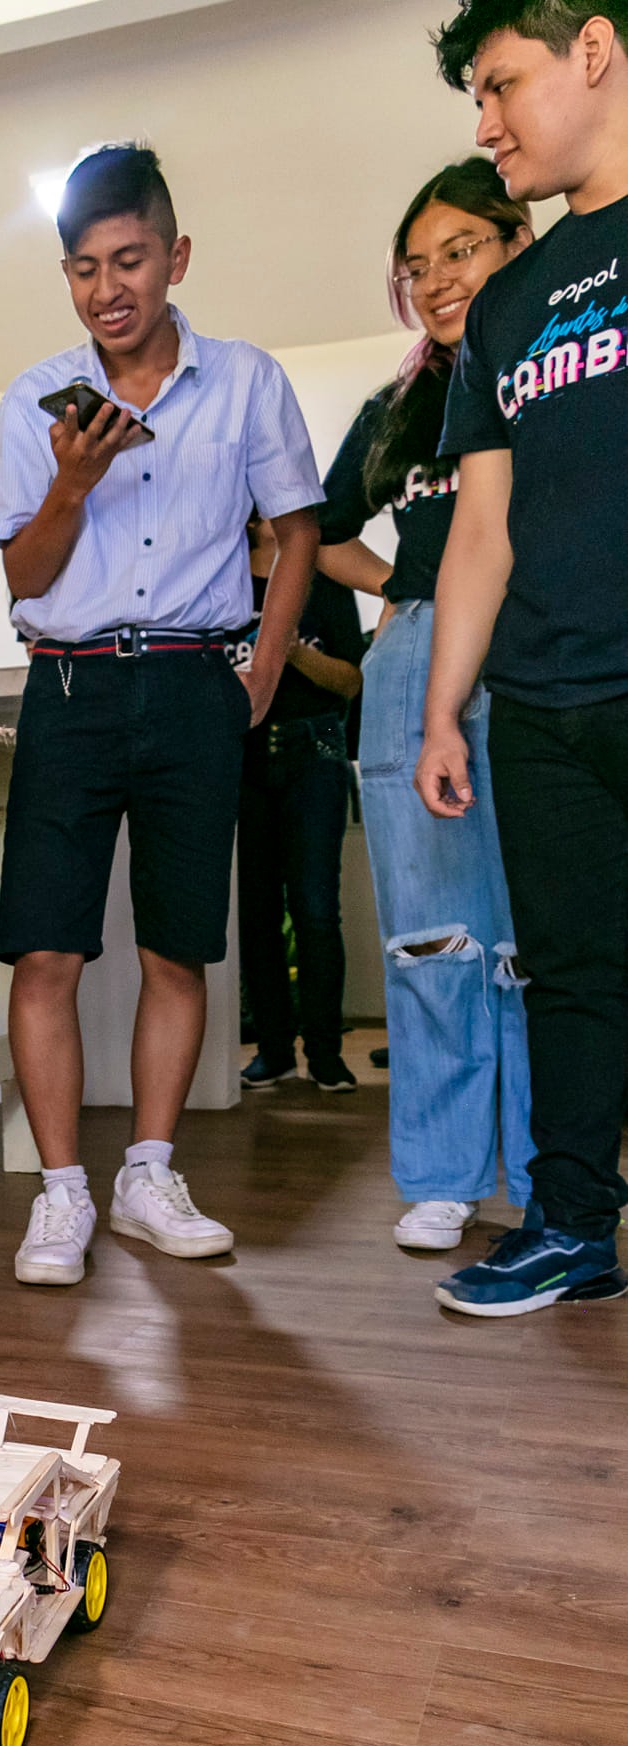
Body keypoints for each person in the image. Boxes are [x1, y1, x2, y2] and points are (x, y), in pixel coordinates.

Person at [0, 143, 322, 1288]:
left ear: (175, 257)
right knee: (44, 947)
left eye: (128, 260)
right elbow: (24, 576)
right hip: (68, 687)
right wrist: (71, 482)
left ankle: (147, 1173)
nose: (107, 289)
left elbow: (299, 531)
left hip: (192, 685)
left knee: (179, 947)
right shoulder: (33, 398)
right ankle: (61, 1189)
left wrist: (263, 665)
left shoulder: (246, 381)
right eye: (83, 268)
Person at [415, 1, 628, 1315]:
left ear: (592, 51)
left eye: (501, 85)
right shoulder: (508, 305)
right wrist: (445, 710)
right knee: (571, 977)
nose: (485, 125)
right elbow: (480, 529)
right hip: (543, 699)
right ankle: (572, 1227)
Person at [317, 156, 535, 1254]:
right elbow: (316, 531)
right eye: (418, 265)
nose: (439, 278)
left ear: (519, 243)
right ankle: (446, 1173)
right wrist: (400, 590)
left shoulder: (562, 374)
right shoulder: (397, 409)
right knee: (431, 935)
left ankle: (549, 1172)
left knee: (538, 932)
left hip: (538, 646)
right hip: (410, 669)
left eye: (461, 250)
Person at [234, 517, 365, 1095]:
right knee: (255, 913)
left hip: (316, 752)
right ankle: (273, 1050)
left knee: (315, 910)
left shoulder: (323, 578)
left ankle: (326, 1053)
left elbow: (351, 680)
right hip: (241, 760)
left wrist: (285, 648)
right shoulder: (221, 580)